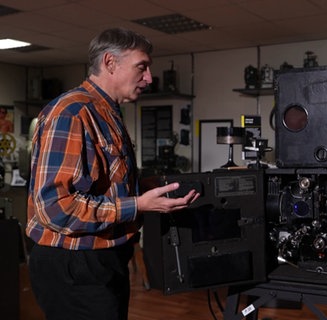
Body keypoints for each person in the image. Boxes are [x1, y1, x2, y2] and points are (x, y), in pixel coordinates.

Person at [26, 28, 200, 320]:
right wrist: (139, 205)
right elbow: (55, 208)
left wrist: (147, 188)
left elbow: (102, 182)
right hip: (75, 263)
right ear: (109, 63)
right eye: (142, 67)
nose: (148, 78)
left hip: (105, 257)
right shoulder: (72, 113)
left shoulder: (107, 112)